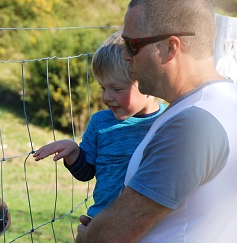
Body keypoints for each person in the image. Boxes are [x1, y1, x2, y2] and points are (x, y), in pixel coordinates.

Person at [75, 0, 237, 243]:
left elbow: (114, 236)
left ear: (171, 47)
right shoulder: (216, 104)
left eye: (132, 45)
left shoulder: (193, 125)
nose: (124, 55)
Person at [33, 30, 166, 219]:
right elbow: (86, 172)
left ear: (146, 81)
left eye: (117, 88)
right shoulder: (100, 123)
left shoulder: (168, 122)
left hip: (146, 226)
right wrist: (73, 152)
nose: (107, 97)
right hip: (101, 222)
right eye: (103, 88)